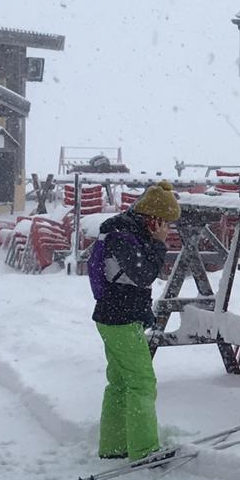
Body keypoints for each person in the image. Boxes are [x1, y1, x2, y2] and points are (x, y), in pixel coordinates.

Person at [88, 180, 179, 459]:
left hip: (114, 315)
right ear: (152, 219)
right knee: (142, 382)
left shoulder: (126, 231)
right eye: (165, 222)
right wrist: (159, 245)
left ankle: (115, 446)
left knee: (119, 382)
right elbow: (144, 274)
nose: (168, 229)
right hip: (120, 318)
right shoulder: (123, 237)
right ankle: (144, 450)